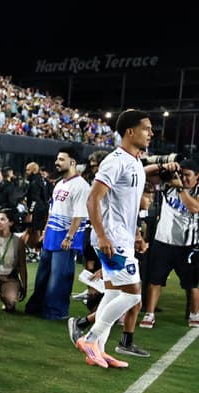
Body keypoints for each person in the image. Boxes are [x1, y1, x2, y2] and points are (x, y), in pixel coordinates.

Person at [75, 109, 162, 368]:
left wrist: (135, 234)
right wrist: (103, 236)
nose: (151, 133)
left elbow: (128, 207)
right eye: (146, 128)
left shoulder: (135, 162)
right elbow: (93, 199)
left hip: (122, 237)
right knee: (134, 295)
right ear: (130, 132)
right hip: (111, 239)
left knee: (114, 293)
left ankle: (99, 351)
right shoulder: (115, 161)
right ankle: (90, 339)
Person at [25, 147, 88, 321]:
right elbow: (52, 211)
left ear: (72, 162)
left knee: (59, 278)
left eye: (61, 159)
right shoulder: (59, 184)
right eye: (57, 159)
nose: (56, 162)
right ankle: (38, 307)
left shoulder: (81, 186)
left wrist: (69, 237)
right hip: (51, 236)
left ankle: (56, 312)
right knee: (43, 276)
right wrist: (45, 232)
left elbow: (79, 215)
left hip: (65, 239)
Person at [140, 158, 199, 329]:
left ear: (197, 176)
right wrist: (163, 166)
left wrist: (180, 188)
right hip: (163, 242)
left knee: (191, 284)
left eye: (187, 175)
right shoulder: (168, 184)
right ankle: (150, 314)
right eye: (181, 174)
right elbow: (142, 173)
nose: (183, 178)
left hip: (188, 246)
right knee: (155, 280)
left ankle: (194, 314)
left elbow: (194, 208)